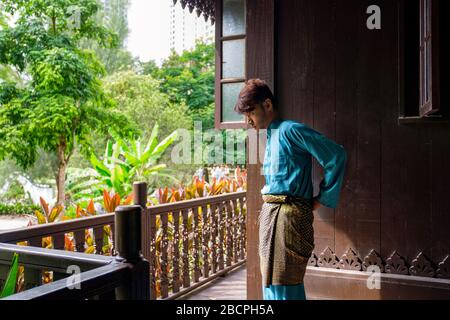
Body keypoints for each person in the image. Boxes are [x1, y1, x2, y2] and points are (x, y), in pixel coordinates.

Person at [234, 79, 347, 300]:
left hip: (289, 217)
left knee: (285, 285)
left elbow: (336, 155)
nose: (248, 120)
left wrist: (321, 198)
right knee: (270, 283)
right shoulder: (271, 134)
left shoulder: (291, 130)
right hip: (271, 216)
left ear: (267, 105)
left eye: (251, 112)